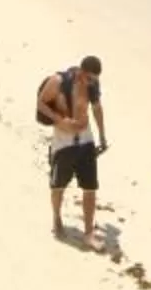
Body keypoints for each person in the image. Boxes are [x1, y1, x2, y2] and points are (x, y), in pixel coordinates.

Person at [40, 55, 108, 245]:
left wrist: (102, 135)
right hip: (63, 142)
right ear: (81, 72)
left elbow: (97, 108)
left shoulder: (92, 85)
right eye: (90, 79)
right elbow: (41, 104)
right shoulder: (58, 82)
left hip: (86, 141)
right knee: (58, 186)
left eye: (95, 80)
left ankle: (88, 233)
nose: (92, 83)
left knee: (90, 188)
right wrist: (61, 121)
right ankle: (56, 218)